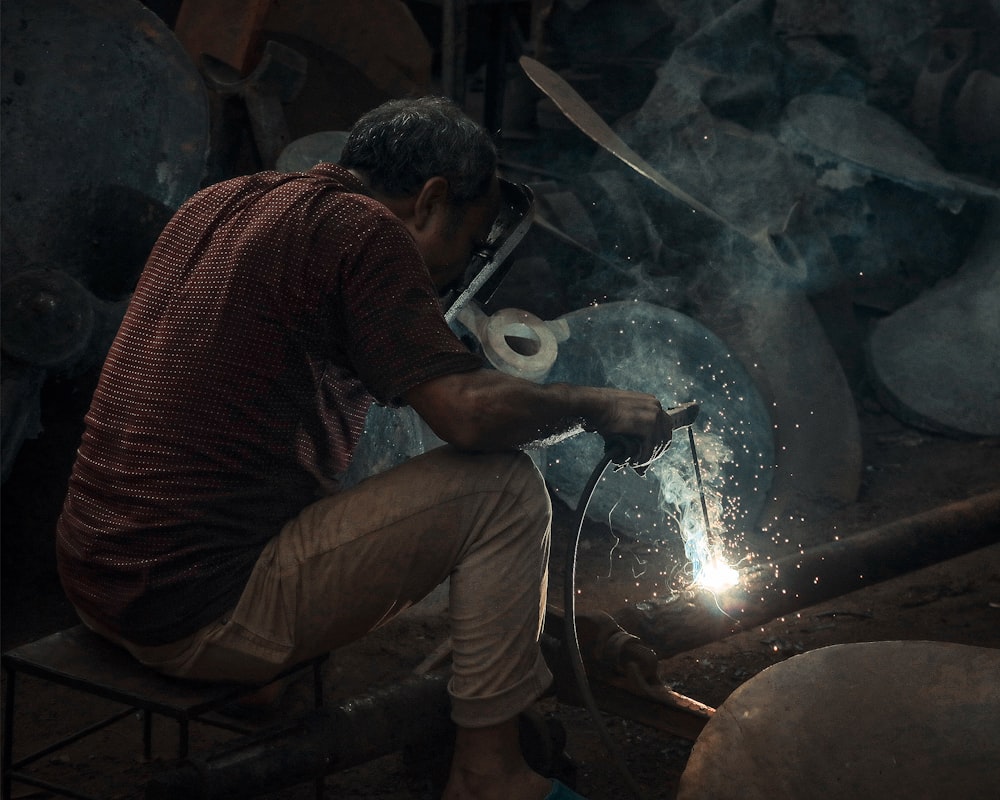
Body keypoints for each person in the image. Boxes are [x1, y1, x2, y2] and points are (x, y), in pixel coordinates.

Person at [56, 96, 675, 800]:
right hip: (189, 611)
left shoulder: (226, 200)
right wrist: (597, 404)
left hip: (98, 576)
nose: (450, 274)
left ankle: (260, 678)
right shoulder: (365, 232)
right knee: (504, 491)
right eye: (466, 245)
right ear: (430, 200)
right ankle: (489, 775)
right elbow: (466, 416)